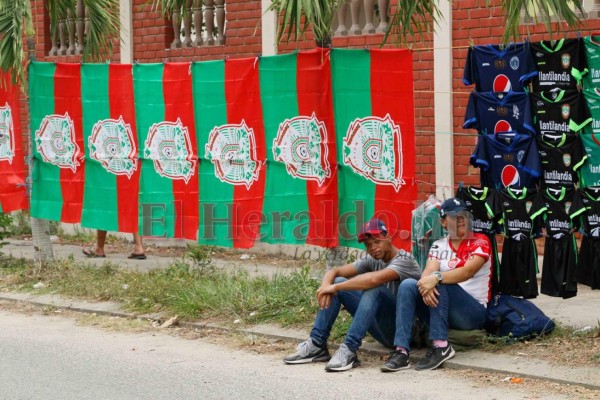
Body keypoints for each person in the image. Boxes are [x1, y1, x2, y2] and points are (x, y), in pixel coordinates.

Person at [284, 218, 421, 372]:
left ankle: (349, 348)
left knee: (373, 288)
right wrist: (326, 286)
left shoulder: (405, 260)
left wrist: (334, 287)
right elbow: (335, 271)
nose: (373, 248)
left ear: (388, 237)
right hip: (383, 329)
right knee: (339, 281)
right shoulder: (373, 259)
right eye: (368, 245)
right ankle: (317, 344)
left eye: (377, 242)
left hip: (407, 331)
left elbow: (375, 279)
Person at [381, 198, 492, 372]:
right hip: (443, 307)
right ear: (443, 221)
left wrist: (436, 278)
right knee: (408, 284)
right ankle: (401, 351)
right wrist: (427, 284)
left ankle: (441, 346)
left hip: (472, 312)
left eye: (465, 215)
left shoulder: (480, 240)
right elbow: (427, 273)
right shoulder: (438, 245)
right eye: (455, 216)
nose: (461, 219)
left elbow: (467, 272)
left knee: (440, 281)